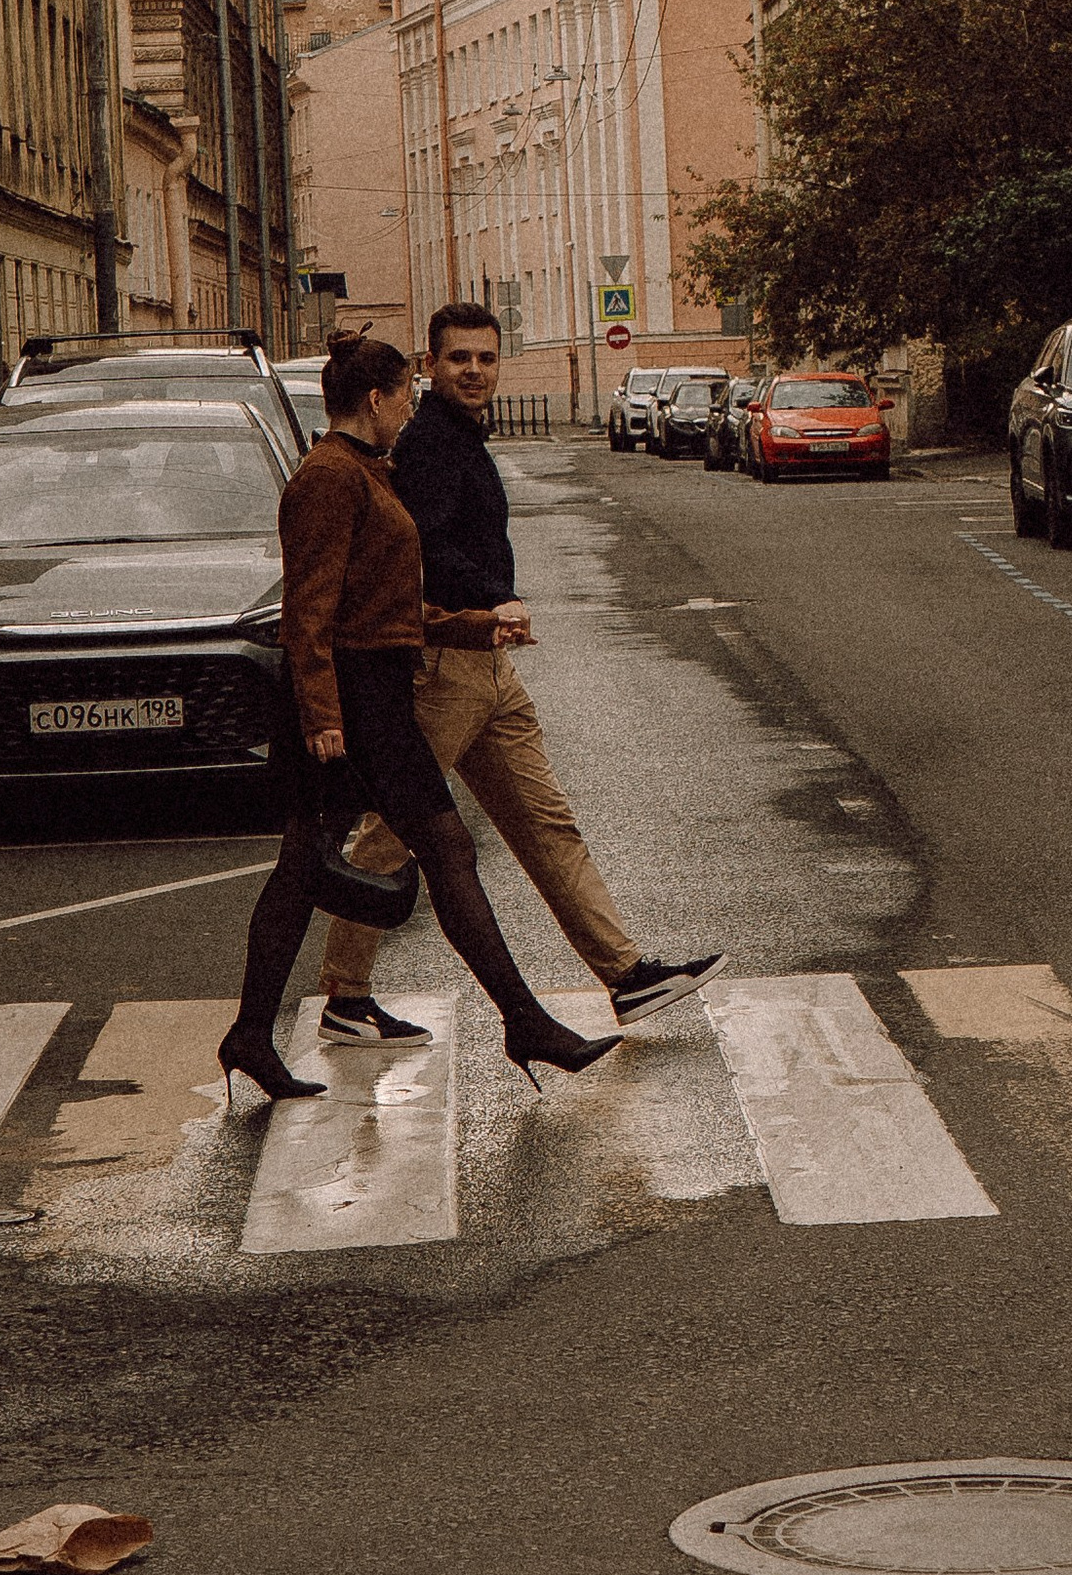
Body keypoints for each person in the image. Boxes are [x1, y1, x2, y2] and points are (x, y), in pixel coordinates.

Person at [219, 331, 620, 1103]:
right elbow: (309, 614)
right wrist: (323, 717)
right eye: (406, 393)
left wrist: (475, 627)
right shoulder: (329, 479)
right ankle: (525, 1020)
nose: (412, 407)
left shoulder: (363, 471)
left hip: (369, 689)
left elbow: (386, 607)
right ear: (376, 398)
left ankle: (249, 1036)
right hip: (353, 703)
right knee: (446, 849)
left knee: (304, 870)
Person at [315, 300, 723, 1045]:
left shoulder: (460, 437)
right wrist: (489, 599)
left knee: (544, 822)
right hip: (444, 665)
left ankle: (626, 975)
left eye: (486, 358)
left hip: (486, 666)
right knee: (394, 834)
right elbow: (425, 552)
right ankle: (346, 994)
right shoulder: (434, 443)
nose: (474, 371)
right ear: (430, 367)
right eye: (458, 359)